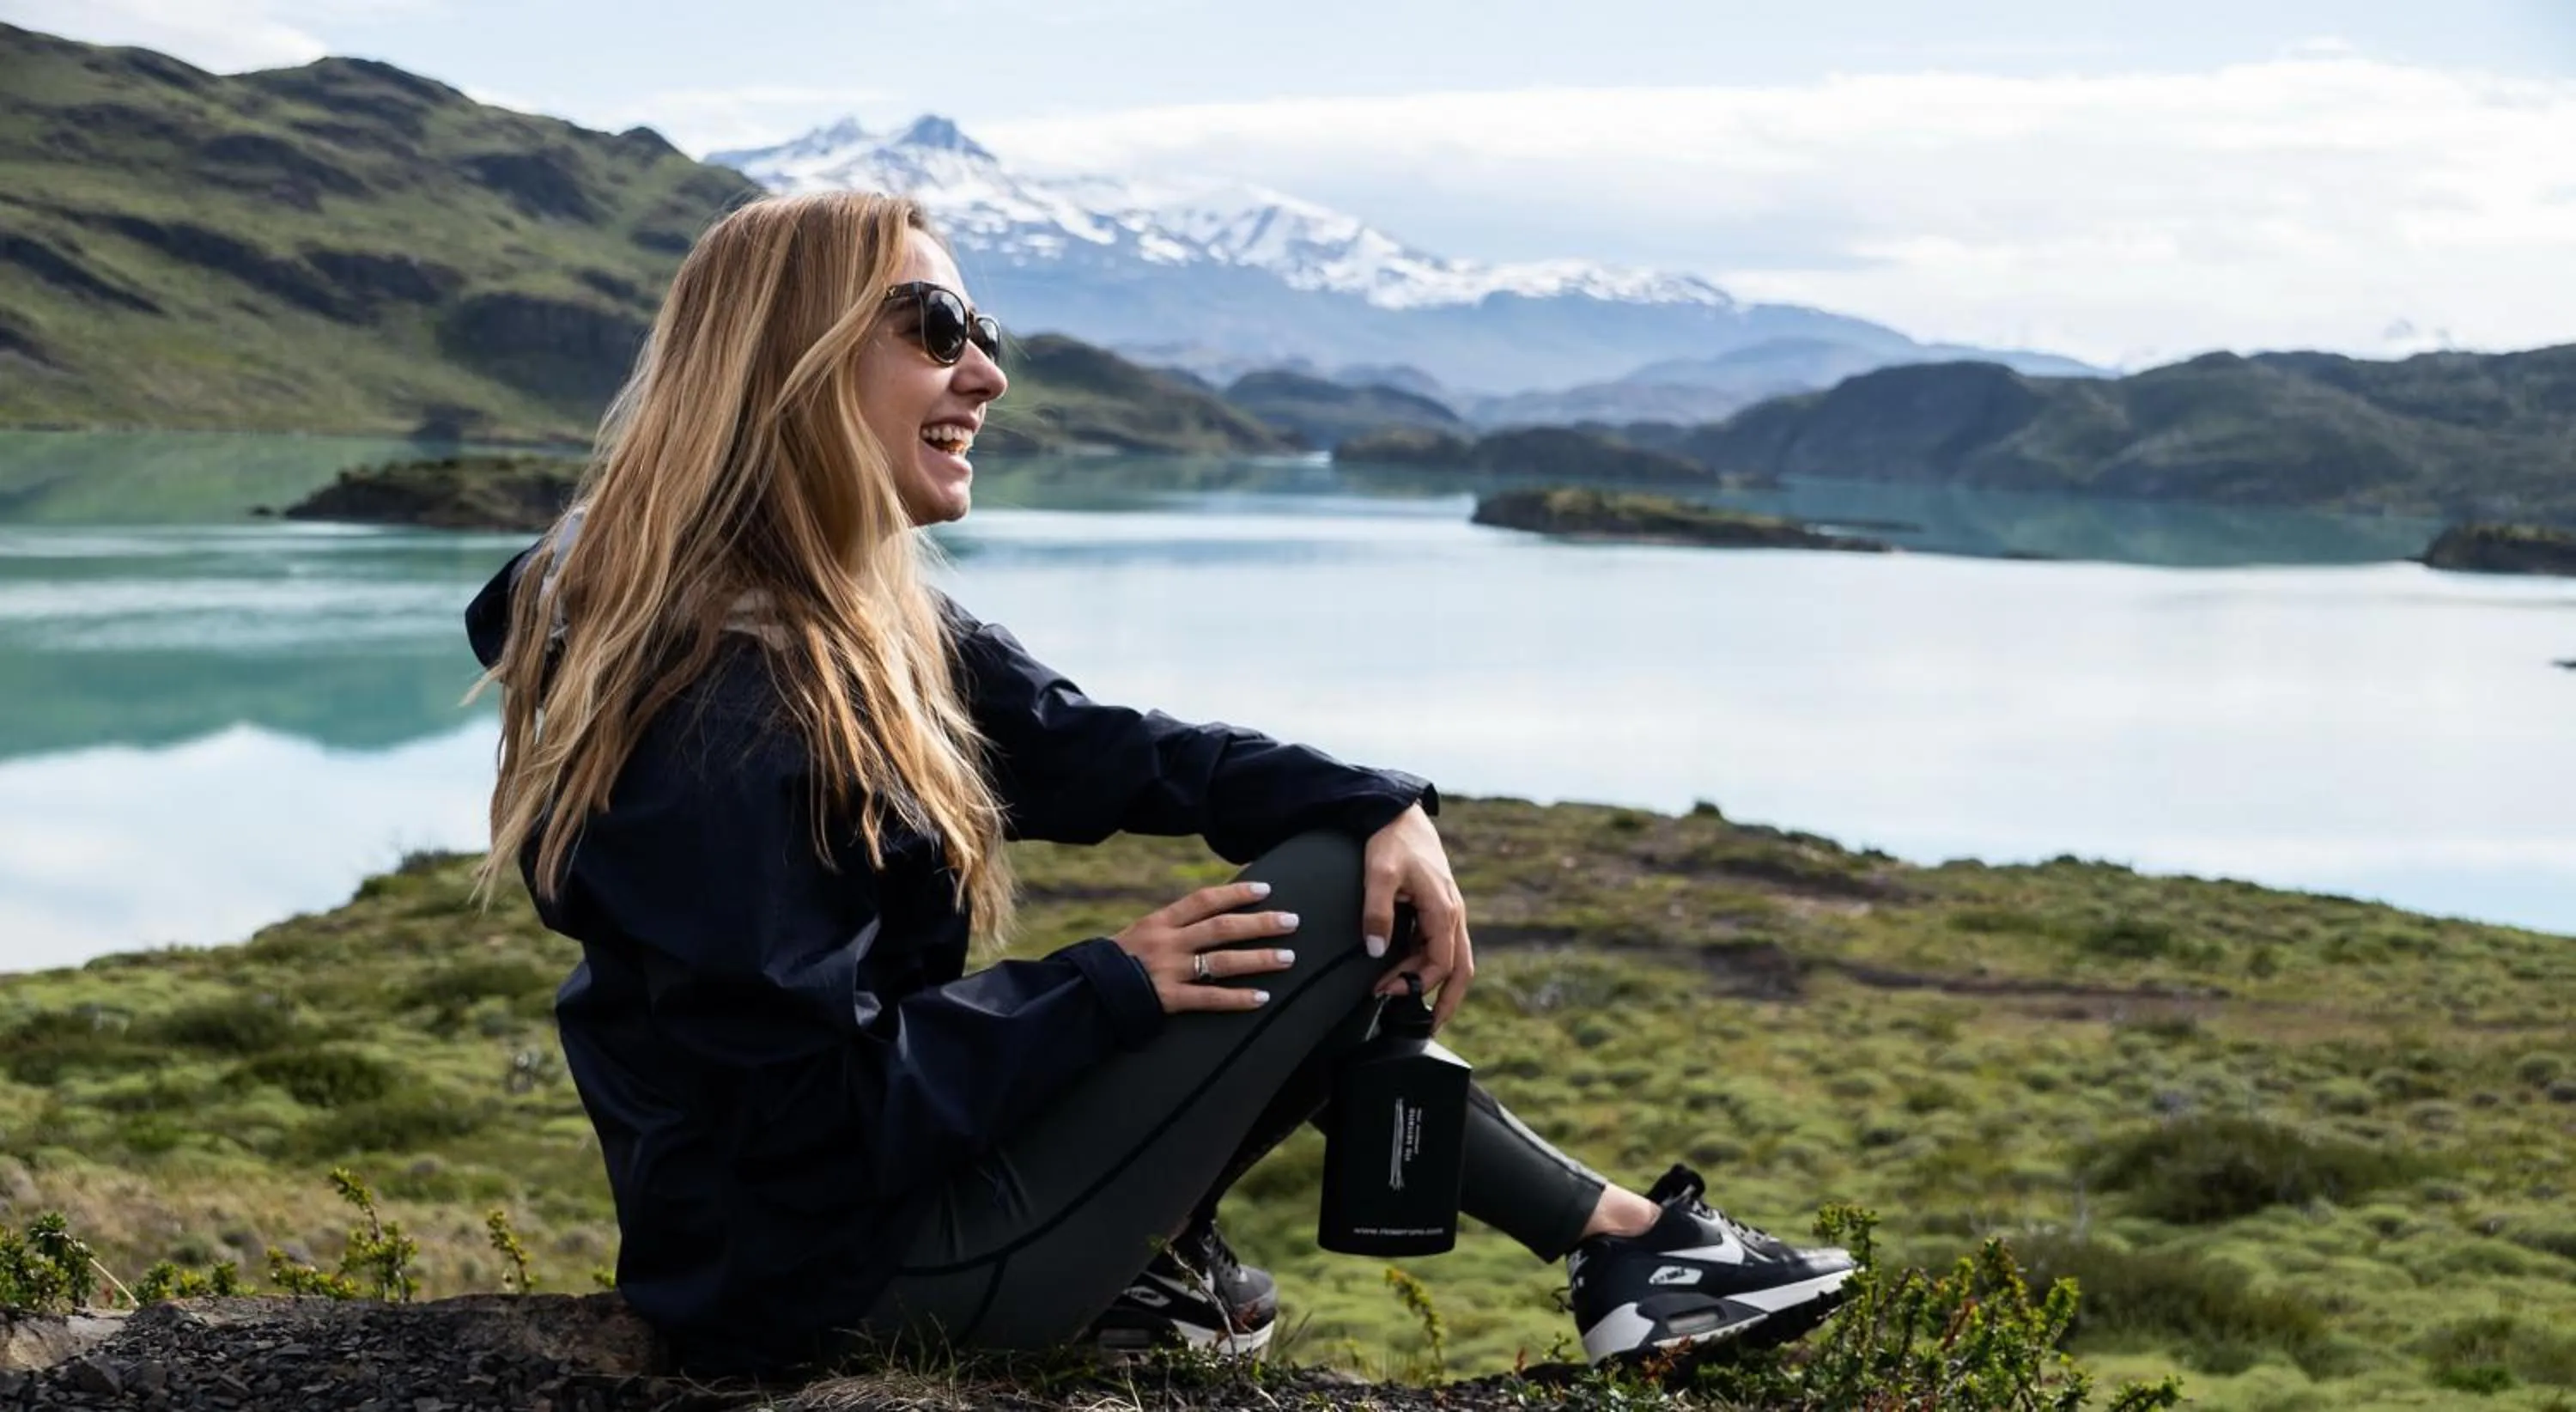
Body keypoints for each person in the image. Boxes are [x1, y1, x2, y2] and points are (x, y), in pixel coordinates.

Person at [463, 190, 1855, 1382]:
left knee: (1333, 846)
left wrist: (1378, 796)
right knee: (1319, 899)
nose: (986, 375)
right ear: (791, 360)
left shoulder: (837, 620)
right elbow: (790, 1115)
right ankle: (1630, 1256)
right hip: (830, 1288)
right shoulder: (726, 689)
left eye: (985, 336)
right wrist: (1107, 986)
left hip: (844, 1234)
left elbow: (1093, 744)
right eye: (936, 330)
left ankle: (1617, 1247)